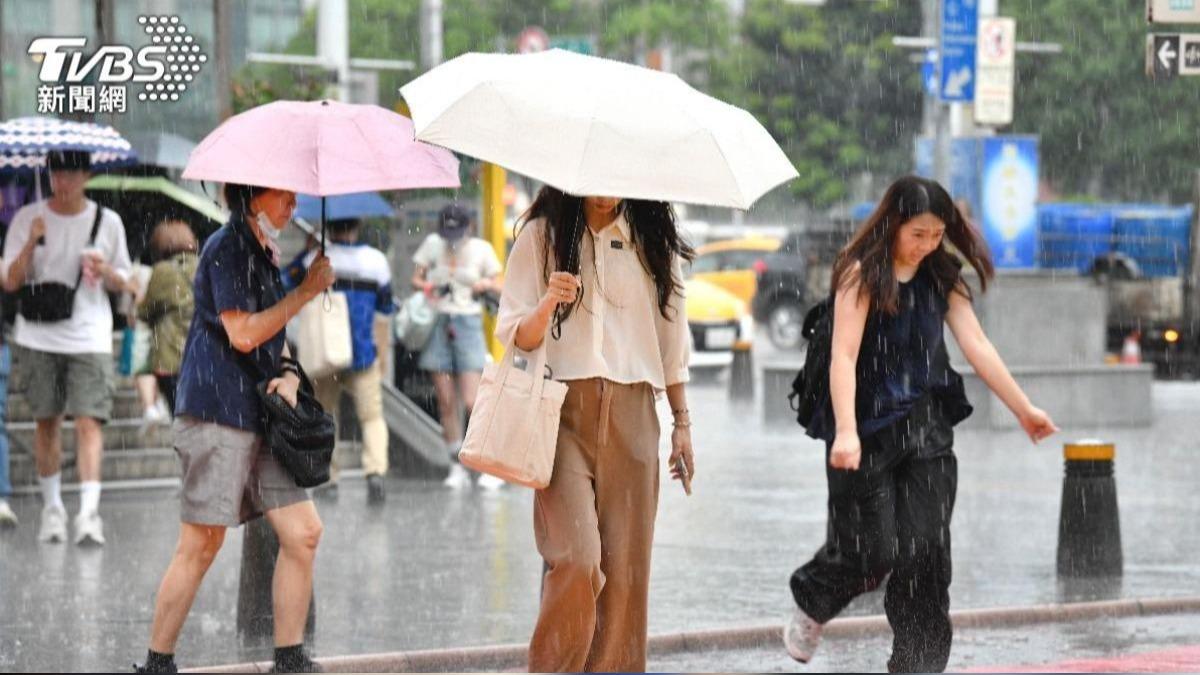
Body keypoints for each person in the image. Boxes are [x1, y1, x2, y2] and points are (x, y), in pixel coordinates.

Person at [783, 176, 1059, 672]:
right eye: (918, 234)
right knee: (873, 550)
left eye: (936, 235)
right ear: (892, 224)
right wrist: (845, 430)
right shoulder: (861, 272)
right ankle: (812, 599)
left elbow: (977, 344)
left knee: (926, 555)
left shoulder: (942, 275)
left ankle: (918, 666)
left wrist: (1024, 409)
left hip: (927, 426)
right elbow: (842, 356)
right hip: (866, 428)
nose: (927, 245)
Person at [135, 184, 334, 674]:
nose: (293, 206)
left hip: (262, 411)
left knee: (303, 532)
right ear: (251, 196)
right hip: (217, 409)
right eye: (283, 196)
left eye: (295, 197)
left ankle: (289, 658)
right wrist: (305, 293)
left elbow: (273, 339)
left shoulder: (265, 252)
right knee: (202, 543)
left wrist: (288, 375)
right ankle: (157, 663)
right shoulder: (226, 247)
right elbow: (243, 333)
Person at [495, 187, 696, 672]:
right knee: (578, 559)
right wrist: (548, 303)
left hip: (635, 417)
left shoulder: (652, 241)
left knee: (626, 576)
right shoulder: (541, 238)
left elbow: (672, 341)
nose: (607, 194)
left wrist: (682, 423)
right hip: (560, 414)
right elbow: (516, 338)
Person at [1, 149, 135, 546]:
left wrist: (106, 271)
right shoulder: (28, 217)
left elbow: (127, 280)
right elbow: (10, 280)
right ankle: (52, 510)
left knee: (90, 420)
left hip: (89, 334)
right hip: (37, 336)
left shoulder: (106, 221)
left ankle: (89, 515)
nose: (63, 181)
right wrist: (31, 243)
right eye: (57, 172)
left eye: (71, 173)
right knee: (46, 421)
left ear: (87, 175)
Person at [293, 217, 394, 504]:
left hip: (327, 352)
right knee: (372, 415)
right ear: (357, 226)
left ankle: (329, 477)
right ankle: (375, 472)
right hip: (364, 352)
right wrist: (382, 353)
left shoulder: (317, 258)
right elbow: (385, 309)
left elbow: (288, 282)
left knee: (325, 415)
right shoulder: (376, 261)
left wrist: (308, 249)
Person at [411, 203, 503, 490]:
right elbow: (417, 278)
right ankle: (456, 465)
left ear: (469, 227)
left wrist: (484, 284)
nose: (452, 237)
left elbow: (501, 282)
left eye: (457, 231)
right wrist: (428, 287)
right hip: (438, 320)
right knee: (445, 400)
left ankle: (488, 463)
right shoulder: (432, 244)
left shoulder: (481, 249)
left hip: (468, 322)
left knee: (472, 400)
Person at [137, 220, 199, 417]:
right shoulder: (205, 263)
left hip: (171, 357)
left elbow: (145, 312)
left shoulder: (162, 270)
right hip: (204, 353)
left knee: (180, 417)